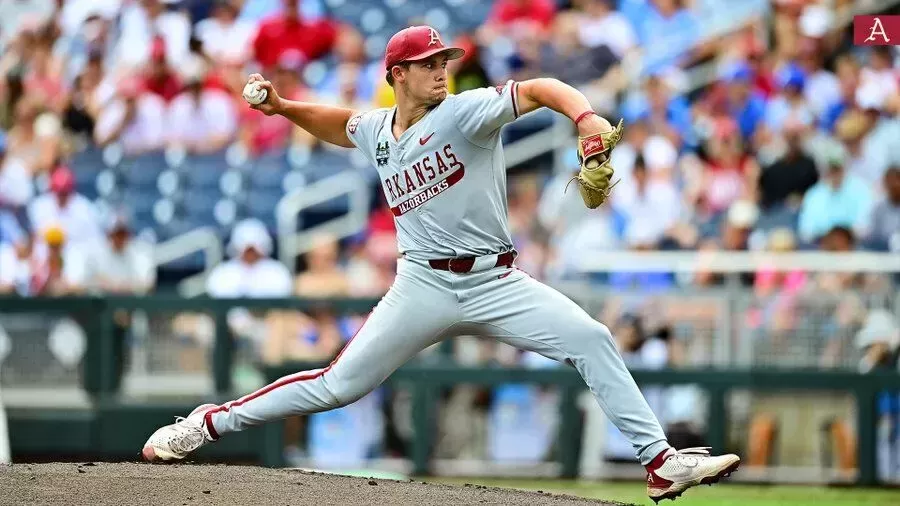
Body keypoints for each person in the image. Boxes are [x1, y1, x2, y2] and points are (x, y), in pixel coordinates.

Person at [142, 26, 739, 502]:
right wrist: (281, 108)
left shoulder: (465, 111)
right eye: (429, 63)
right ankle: (208, 423)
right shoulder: (380, 128)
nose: (441, 70)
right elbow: (336, 123)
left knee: (592, 336)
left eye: (444, 61)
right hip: (423, 282)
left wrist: (584, 119)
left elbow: (541, 89)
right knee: (338, 385)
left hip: (496, 280)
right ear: (398, 73)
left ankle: (661, 463)